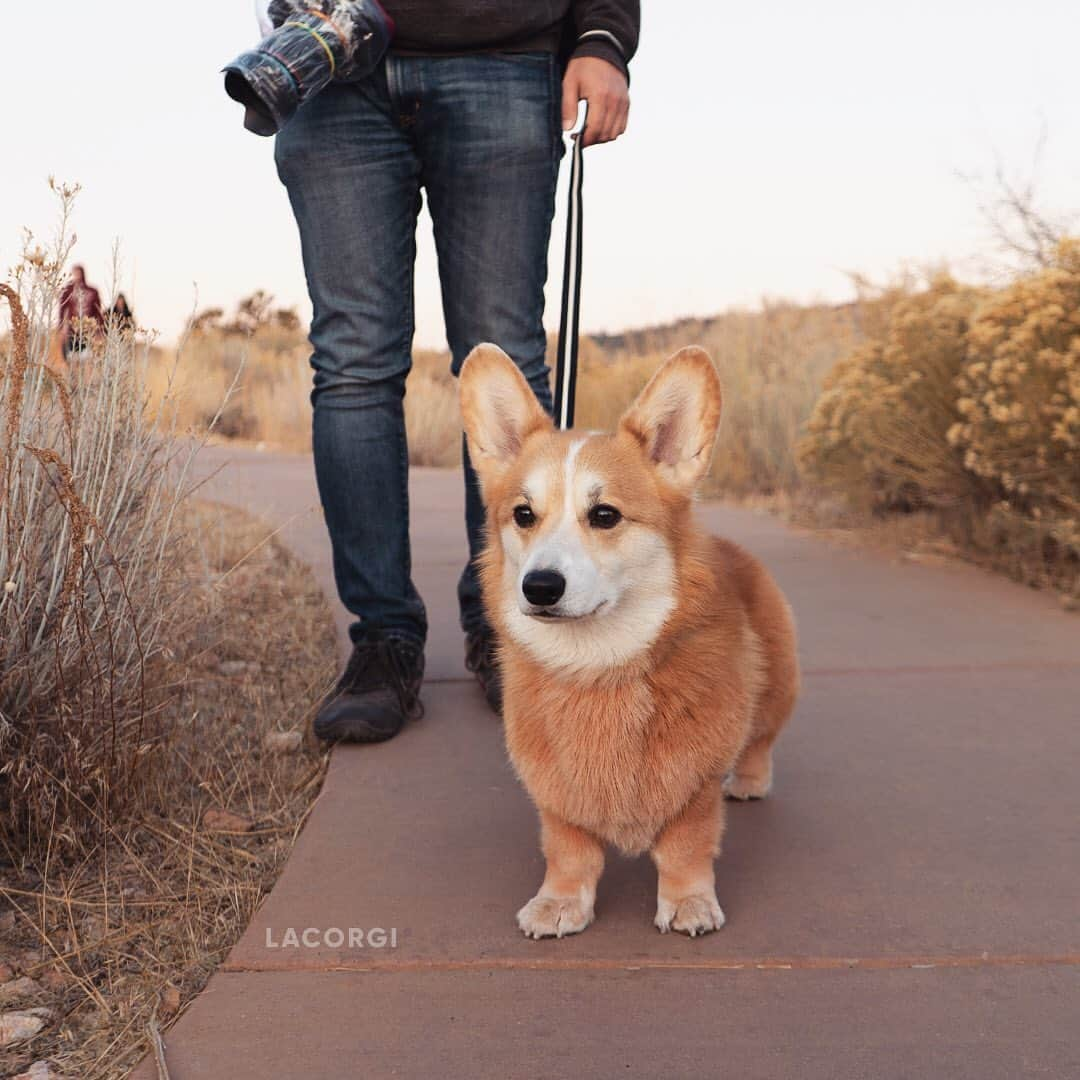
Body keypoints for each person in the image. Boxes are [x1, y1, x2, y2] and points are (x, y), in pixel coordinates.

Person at [271, 1, 640, 743]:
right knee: (351, 363)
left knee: (505, 355)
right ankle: (383, 642)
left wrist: (601, 38)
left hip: (502, 58)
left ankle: (510, 627)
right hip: (331, 65)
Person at [58, 265, 104, 359]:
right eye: (74, 273)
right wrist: (61, 326)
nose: (76, 276)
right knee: (69, 356)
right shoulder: (68, 291)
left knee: (86, 358)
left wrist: (99, 329)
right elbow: (62, 309)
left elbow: (98, 311)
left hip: (87, 330)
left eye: (78, 273)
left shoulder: (92, 292)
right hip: (72, 329)